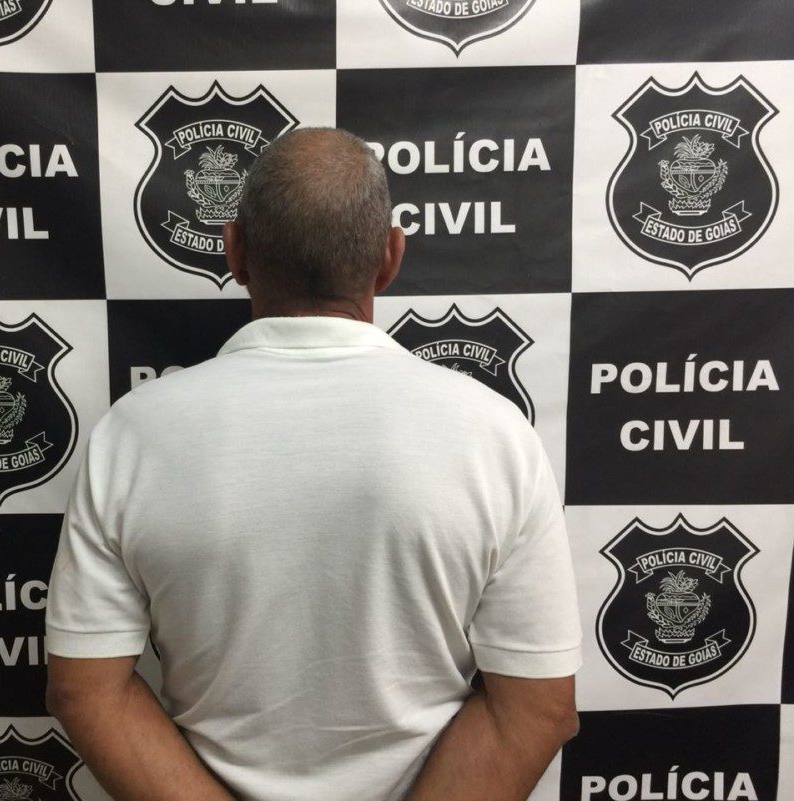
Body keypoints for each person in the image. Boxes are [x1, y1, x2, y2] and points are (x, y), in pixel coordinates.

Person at [44, 127, 581, 801]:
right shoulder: (495, 434)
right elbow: (536, 706)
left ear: (235, 250)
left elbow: (85, 691)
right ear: (390, 255)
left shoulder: (132, 434)